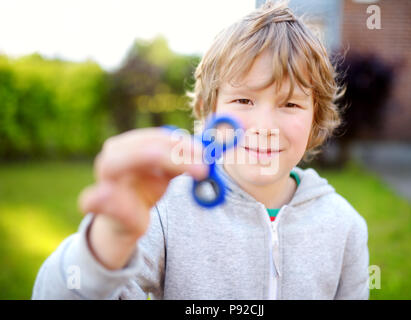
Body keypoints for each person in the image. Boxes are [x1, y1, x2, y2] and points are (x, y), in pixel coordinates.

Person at [32, 0, 369, 300]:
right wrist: (108, 240)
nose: (265, 125)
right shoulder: (164, 210)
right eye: (243, 100)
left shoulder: (345, 227)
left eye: (291, 103)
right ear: (210, 110)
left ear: (316, 116)